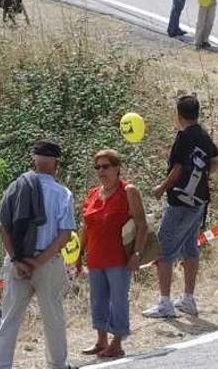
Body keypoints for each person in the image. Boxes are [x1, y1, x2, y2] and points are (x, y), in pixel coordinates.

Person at [0, 141, 76, 369]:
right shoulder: (63, 194)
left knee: (9, 317)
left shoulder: (15, 187)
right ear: (56, 165)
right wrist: (37, 262)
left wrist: (18, 260)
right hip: (47, 264)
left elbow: (2, 227)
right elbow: (65, 235)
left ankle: (0, 365)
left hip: (16, 262)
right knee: (53, 317)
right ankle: (57, 364)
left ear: (33, 163)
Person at [143, 95, 218, 318]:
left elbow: (176, 169)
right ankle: (188, 298)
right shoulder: (204, 135)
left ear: (178, 115)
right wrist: (202, 176)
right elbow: (217, 160)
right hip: (199, 201)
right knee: (190, 247)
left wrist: (161, 187)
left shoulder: (183, 137)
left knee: (163, 248)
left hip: (179, 201)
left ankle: (165, 303)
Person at [78, 150, 147, 359]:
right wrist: (79, 254)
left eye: (105, 166)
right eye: (97, 167)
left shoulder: (129, 191)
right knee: (97, 300)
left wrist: (137, 254)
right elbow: (86, 227)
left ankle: (117, 343)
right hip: (96, 257)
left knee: (118, 300)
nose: (101, 171)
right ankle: (101, 341)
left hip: (119, 259)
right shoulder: (92, 194)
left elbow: (142, 225)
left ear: (117, 168)